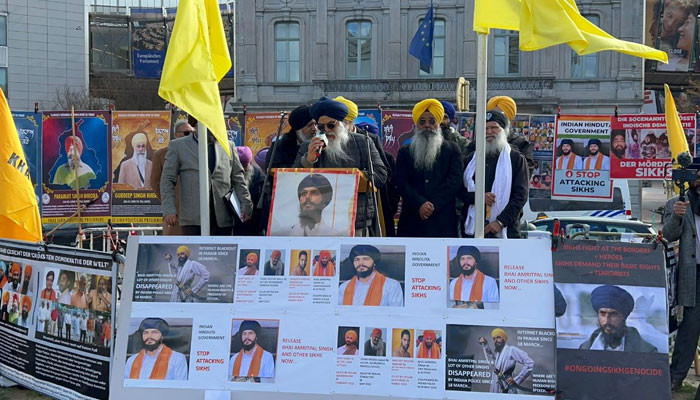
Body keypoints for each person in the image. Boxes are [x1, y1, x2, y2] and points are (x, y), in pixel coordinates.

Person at [294, 96, 387, 235]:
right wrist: (308, 160)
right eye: (321, 127)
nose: (326, 130)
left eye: (331, 125)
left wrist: (353, 178)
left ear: (342, 123)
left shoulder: (363, 142)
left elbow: (381, 175)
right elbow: (293, 179)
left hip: (356, 221)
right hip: (317, 222)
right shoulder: (309, 146)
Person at [161, 126, 253, 235]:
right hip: (193, 219)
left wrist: (246, 203)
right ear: (196, 125)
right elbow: (167, 180)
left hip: (222, 218)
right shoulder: (178, 146)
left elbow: (238, 178)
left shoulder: (228, 145)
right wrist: (169, 209)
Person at [395, 99, 463, 237]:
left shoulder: (452, 150)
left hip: (442, 220)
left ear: (438, 124)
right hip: (412, 218)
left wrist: (432, 205)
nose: (427, 125)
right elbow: (401, 182)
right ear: (416, 125)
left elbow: (454, 182)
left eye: (432, 121)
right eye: (422, 122)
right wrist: (420, 204)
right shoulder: (405, 152)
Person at [334, 96, 397, 237]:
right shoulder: (326, 141)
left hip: (365, 208)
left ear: (349, 122)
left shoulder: (369, 139)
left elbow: (384, 172)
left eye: (337, 123)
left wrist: (360, 175)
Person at [462, 110, 529, 238]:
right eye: (485, 128)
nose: (489, 132)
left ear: (503, 130)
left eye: (494, 128)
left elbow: (521, 195)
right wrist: (478, 197)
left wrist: (500, 222)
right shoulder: (470, 159)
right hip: (473, 228)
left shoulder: (516, 159)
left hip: (507, 229)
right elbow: (460, 191)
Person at [665, 166, 700, 389]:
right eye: (697, 176)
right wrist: (677, 217)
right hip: (693, 274)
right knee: (690, 327)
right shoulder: (677, 203)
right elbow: (668, 235)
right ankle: (675, 378)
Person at [579, 285, 657, 352]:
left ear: (623, 317)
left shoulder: (646, 351)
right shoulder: (585, 348)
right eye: (602, 314)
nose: (607, 321)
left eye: (613, 315)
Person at [151, 120, 193, 235]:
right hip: (174, 213)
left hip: (194, 213)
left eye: (191, 133)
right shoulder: (161, 154)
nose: (189, 136)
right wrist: (169, 203)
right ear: (175, 134)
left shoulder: (197, 153)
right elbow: (155, 183)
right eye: (186, 133)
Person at [338, 245, 403, 307]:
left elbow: (395, 314)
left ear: (374, 262)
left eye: (366, 259)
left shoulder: (392, 285)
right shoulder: (344, 287)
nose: (360, 263)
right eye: (357, 259)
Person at [487, 96, 535, 175]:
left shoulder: (522, 144)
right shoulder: (478, 143)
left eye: (498, 115)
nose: (494, 119)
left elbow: (525, 174)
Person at [480, 328, 534, 393]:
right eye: (494, 338)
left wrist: (516, 380)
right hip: (496, 386)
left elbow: (530, 363)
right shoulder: (499, 352)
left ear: (503, 339)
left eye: (498, 337)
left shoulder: (511, 350)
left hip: (506, 387)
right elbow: (492, 357)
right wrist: (485, 345)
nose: (496, 340)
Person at [234, 146, 264, 235]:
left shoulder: (259, 177)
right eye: (238, 167)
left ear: (249, 163)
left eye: (244, 166)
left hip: (252, 224)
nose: (241, 170)